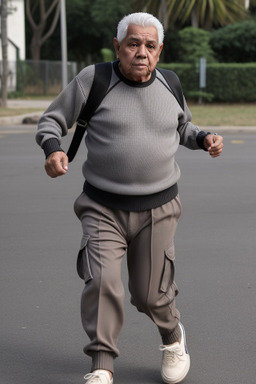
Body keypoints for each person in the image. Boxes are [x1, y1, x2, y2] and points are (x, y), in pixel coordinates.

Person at [36, 12, 223, 384]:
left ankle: (173, 337)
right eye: (133, 44)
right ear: (118, 46)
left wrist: (203, 138)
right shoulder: (95, 79)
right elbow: (52, 120)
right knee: (102, 282)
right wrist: (53, 149)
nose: (142, 52)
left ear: (160, 51)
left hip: (159, 208)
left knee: (150, 294)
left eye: (150, 46)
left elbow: (182, 124)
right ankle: (102, 365)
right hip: (102, 206)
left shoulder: (170, 82)